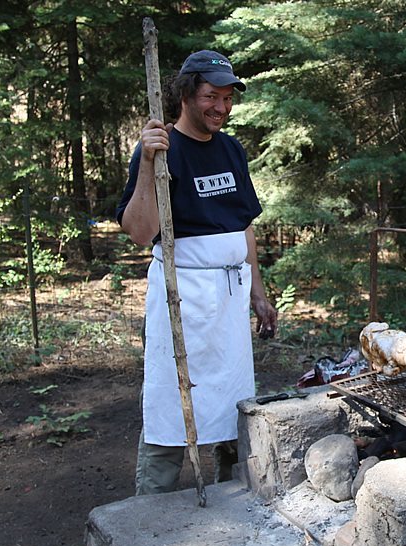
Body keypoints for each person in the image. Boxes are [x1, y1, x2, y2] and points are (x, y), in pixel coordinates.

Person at [117, 50, 278, 495]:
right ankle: (150, 511)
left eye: (228, 99)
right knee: (172, 402)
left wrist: (258, 293)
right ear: (186, 94)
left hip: (228, 301)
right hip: (182, 298)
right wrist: (149, 165)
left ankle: (234, 498)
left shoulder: (230, 149)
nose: (221, 108)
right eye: (212, 96)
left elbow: (242, 224)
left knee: (232, 404)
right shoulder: (160, 149)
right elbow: (139, 231)